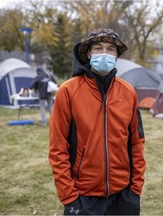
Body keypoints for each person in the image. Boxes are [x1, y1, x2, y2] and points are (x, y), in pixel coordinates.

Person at [48, 28, 146, 215]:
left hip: (123, 195)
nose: (104, 53)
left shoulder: (128, 92)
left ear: (117, 55)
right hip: (84, 196)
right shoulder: (68, 91)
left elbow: (137, 142)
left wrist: (135, 189)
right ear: (88, 53)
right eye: (98, 48)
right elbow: (57, 148)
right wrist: (69, 197)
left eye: (110, 49)